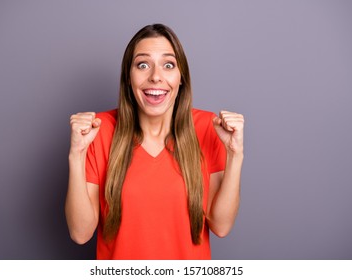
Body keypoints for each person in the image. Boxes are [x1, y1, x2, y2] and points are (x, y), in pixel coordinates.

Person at [65, 23, 244, 260]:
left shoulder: (207, 127)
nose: (156, 77)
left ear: (181, 78)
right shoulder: (99, 130)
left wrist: (235, 155)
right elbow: (80, 233)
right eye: (143, 65)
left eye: (168, 65)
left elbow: (221, 226)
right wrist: (76, 154)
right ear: (129, 77)